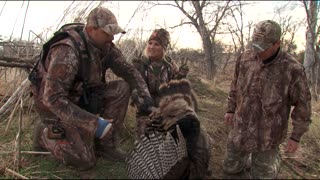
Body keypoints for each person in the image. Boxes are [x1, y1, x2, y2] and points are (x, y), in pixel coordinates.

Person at [30, 6, 153, 172]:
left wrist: (146, 99)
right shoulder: (67, 51)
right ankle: (45, 134)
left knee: (122, 88)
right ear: (91, 30)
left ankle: (105, 145)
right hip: (54, 108)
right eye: (107, 33)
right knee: (84, 161)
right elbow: (53, 99)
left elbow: (128, 71)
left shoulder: (106, 47)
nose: (112, 38)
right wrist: (95, 124)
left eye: (113, 33)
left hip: (81, 99)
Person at [223, 20, 312, 179]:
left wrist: (296, 136)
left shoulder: (292, 68)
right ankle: (246, 164)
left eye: (262, 47)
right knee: (230, 169)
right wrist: (230, 109)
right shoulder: (244, 58)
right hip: (240, 127)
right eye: (255, 44)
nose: (257, 51)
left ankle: (272, 162)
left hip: (268, 135)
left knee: (263, 176)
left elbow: (303, 105)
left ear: (277, 43)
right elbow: (235, 85)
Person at [130, 28, 193, 138]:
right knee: (146, 142)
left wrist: (181, 77)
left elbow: (175, 92)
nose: (151, 47)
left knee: (175, 136)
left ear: (164, 48)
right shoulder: (140, 64)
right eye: (150, 43)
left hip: (165, 109)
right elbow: (133, 91)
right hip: (146, 110)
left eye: (156, 44)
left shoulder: (170, 65)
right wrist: (146, 105)